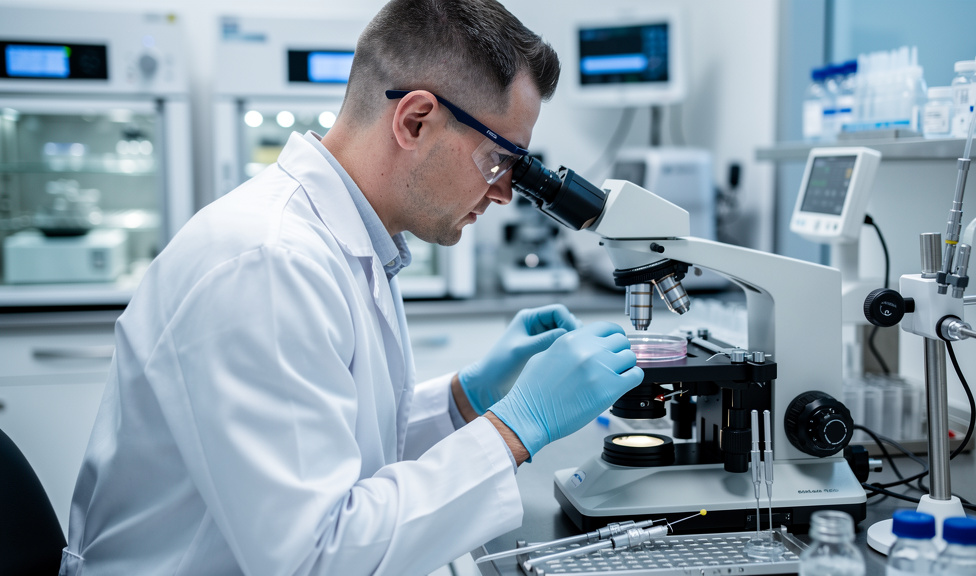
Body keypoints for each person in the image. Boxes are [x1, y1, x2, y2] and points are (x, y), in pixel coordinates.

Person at [59, 1, 643, 574]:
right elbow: (317, 555)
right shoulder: (270, 264)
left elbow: (330, 443)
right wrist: (519, 426)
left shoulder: (345, 241)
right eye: (498, 159)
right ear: (414, 120)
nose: (503, 193)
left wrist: (465, 398)